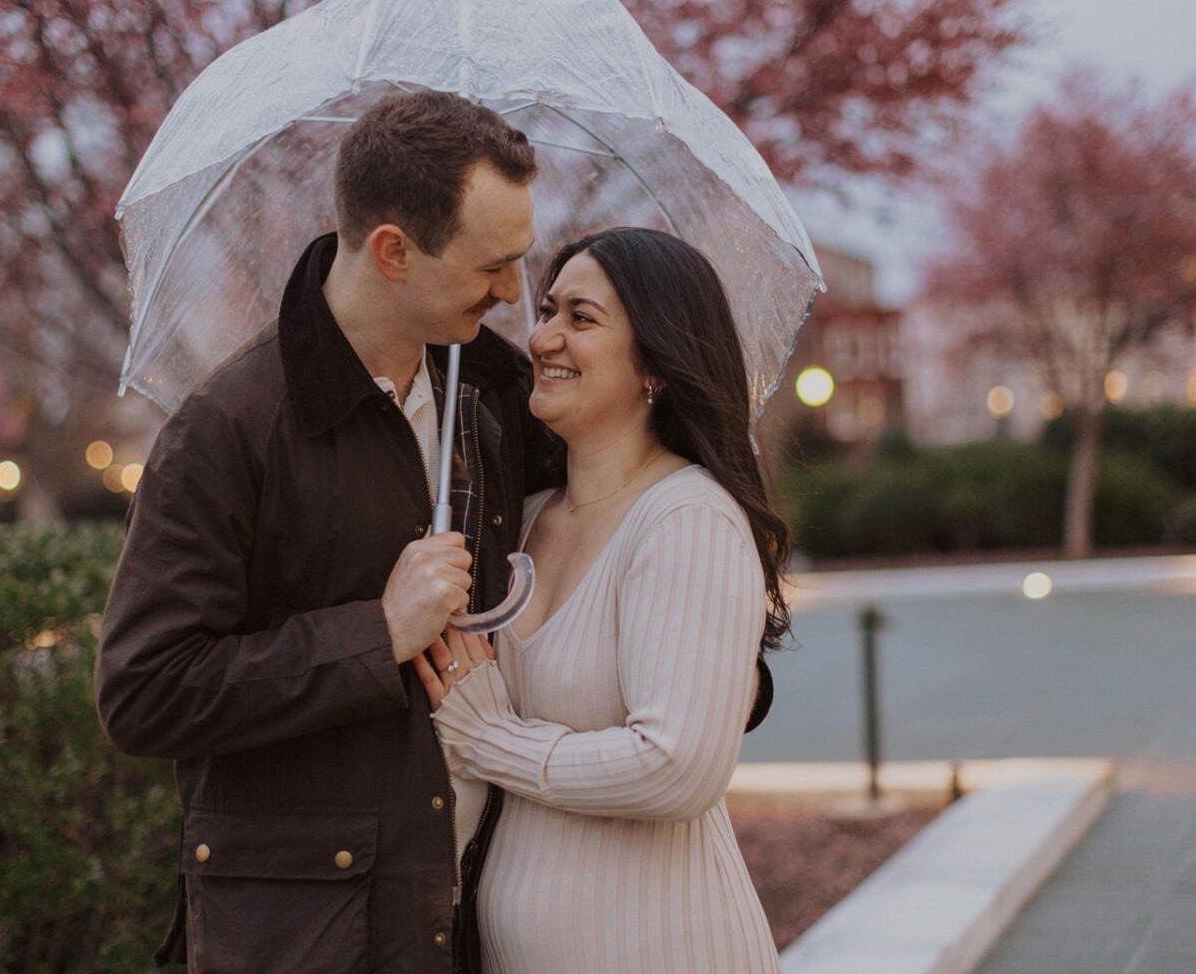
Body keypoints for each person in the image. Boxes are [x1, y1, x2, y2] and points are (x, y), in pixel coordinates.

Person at [94, 90, 561, 972]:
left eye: (519, 262)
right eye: (490, 266)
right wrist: (374, 635)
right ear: (393, 251)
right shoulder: (228, 429)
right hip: (310, 942)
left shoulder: (486, 396)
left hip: (469, 916)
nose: (511, 293)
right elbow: (143, 692)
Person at [416, 227, 792, 973]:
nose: (543, 337)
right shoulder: (519, 522)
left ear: (655, 362)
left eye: (580, 319)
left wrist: (489, 740)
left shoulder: (688, 518)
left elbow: (677, 764)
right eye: (548, 311)